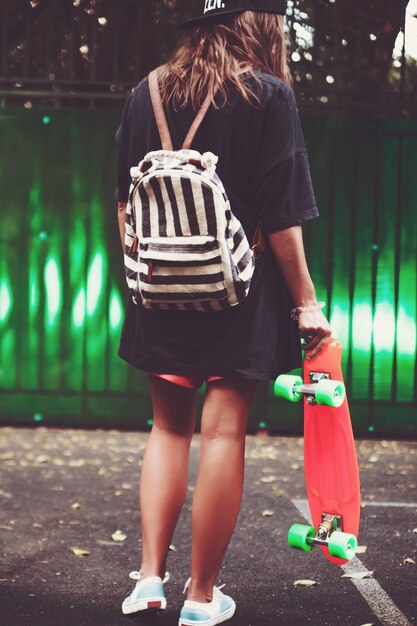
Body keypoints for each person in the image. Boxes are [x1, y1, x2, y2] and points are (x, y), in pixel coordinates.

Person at [115, 1, 331, 624]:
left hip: (159, 289)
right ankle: (202, 599)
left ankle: (149, 581)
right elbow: (283, 217)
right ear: (257, 24)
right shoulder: (268, 95)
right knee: (223, 434)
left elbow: (125, 207)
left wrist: (151, 277)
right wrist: (307, 305)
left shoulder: (145, 92)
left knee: (168, 430)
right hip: (238, 289)